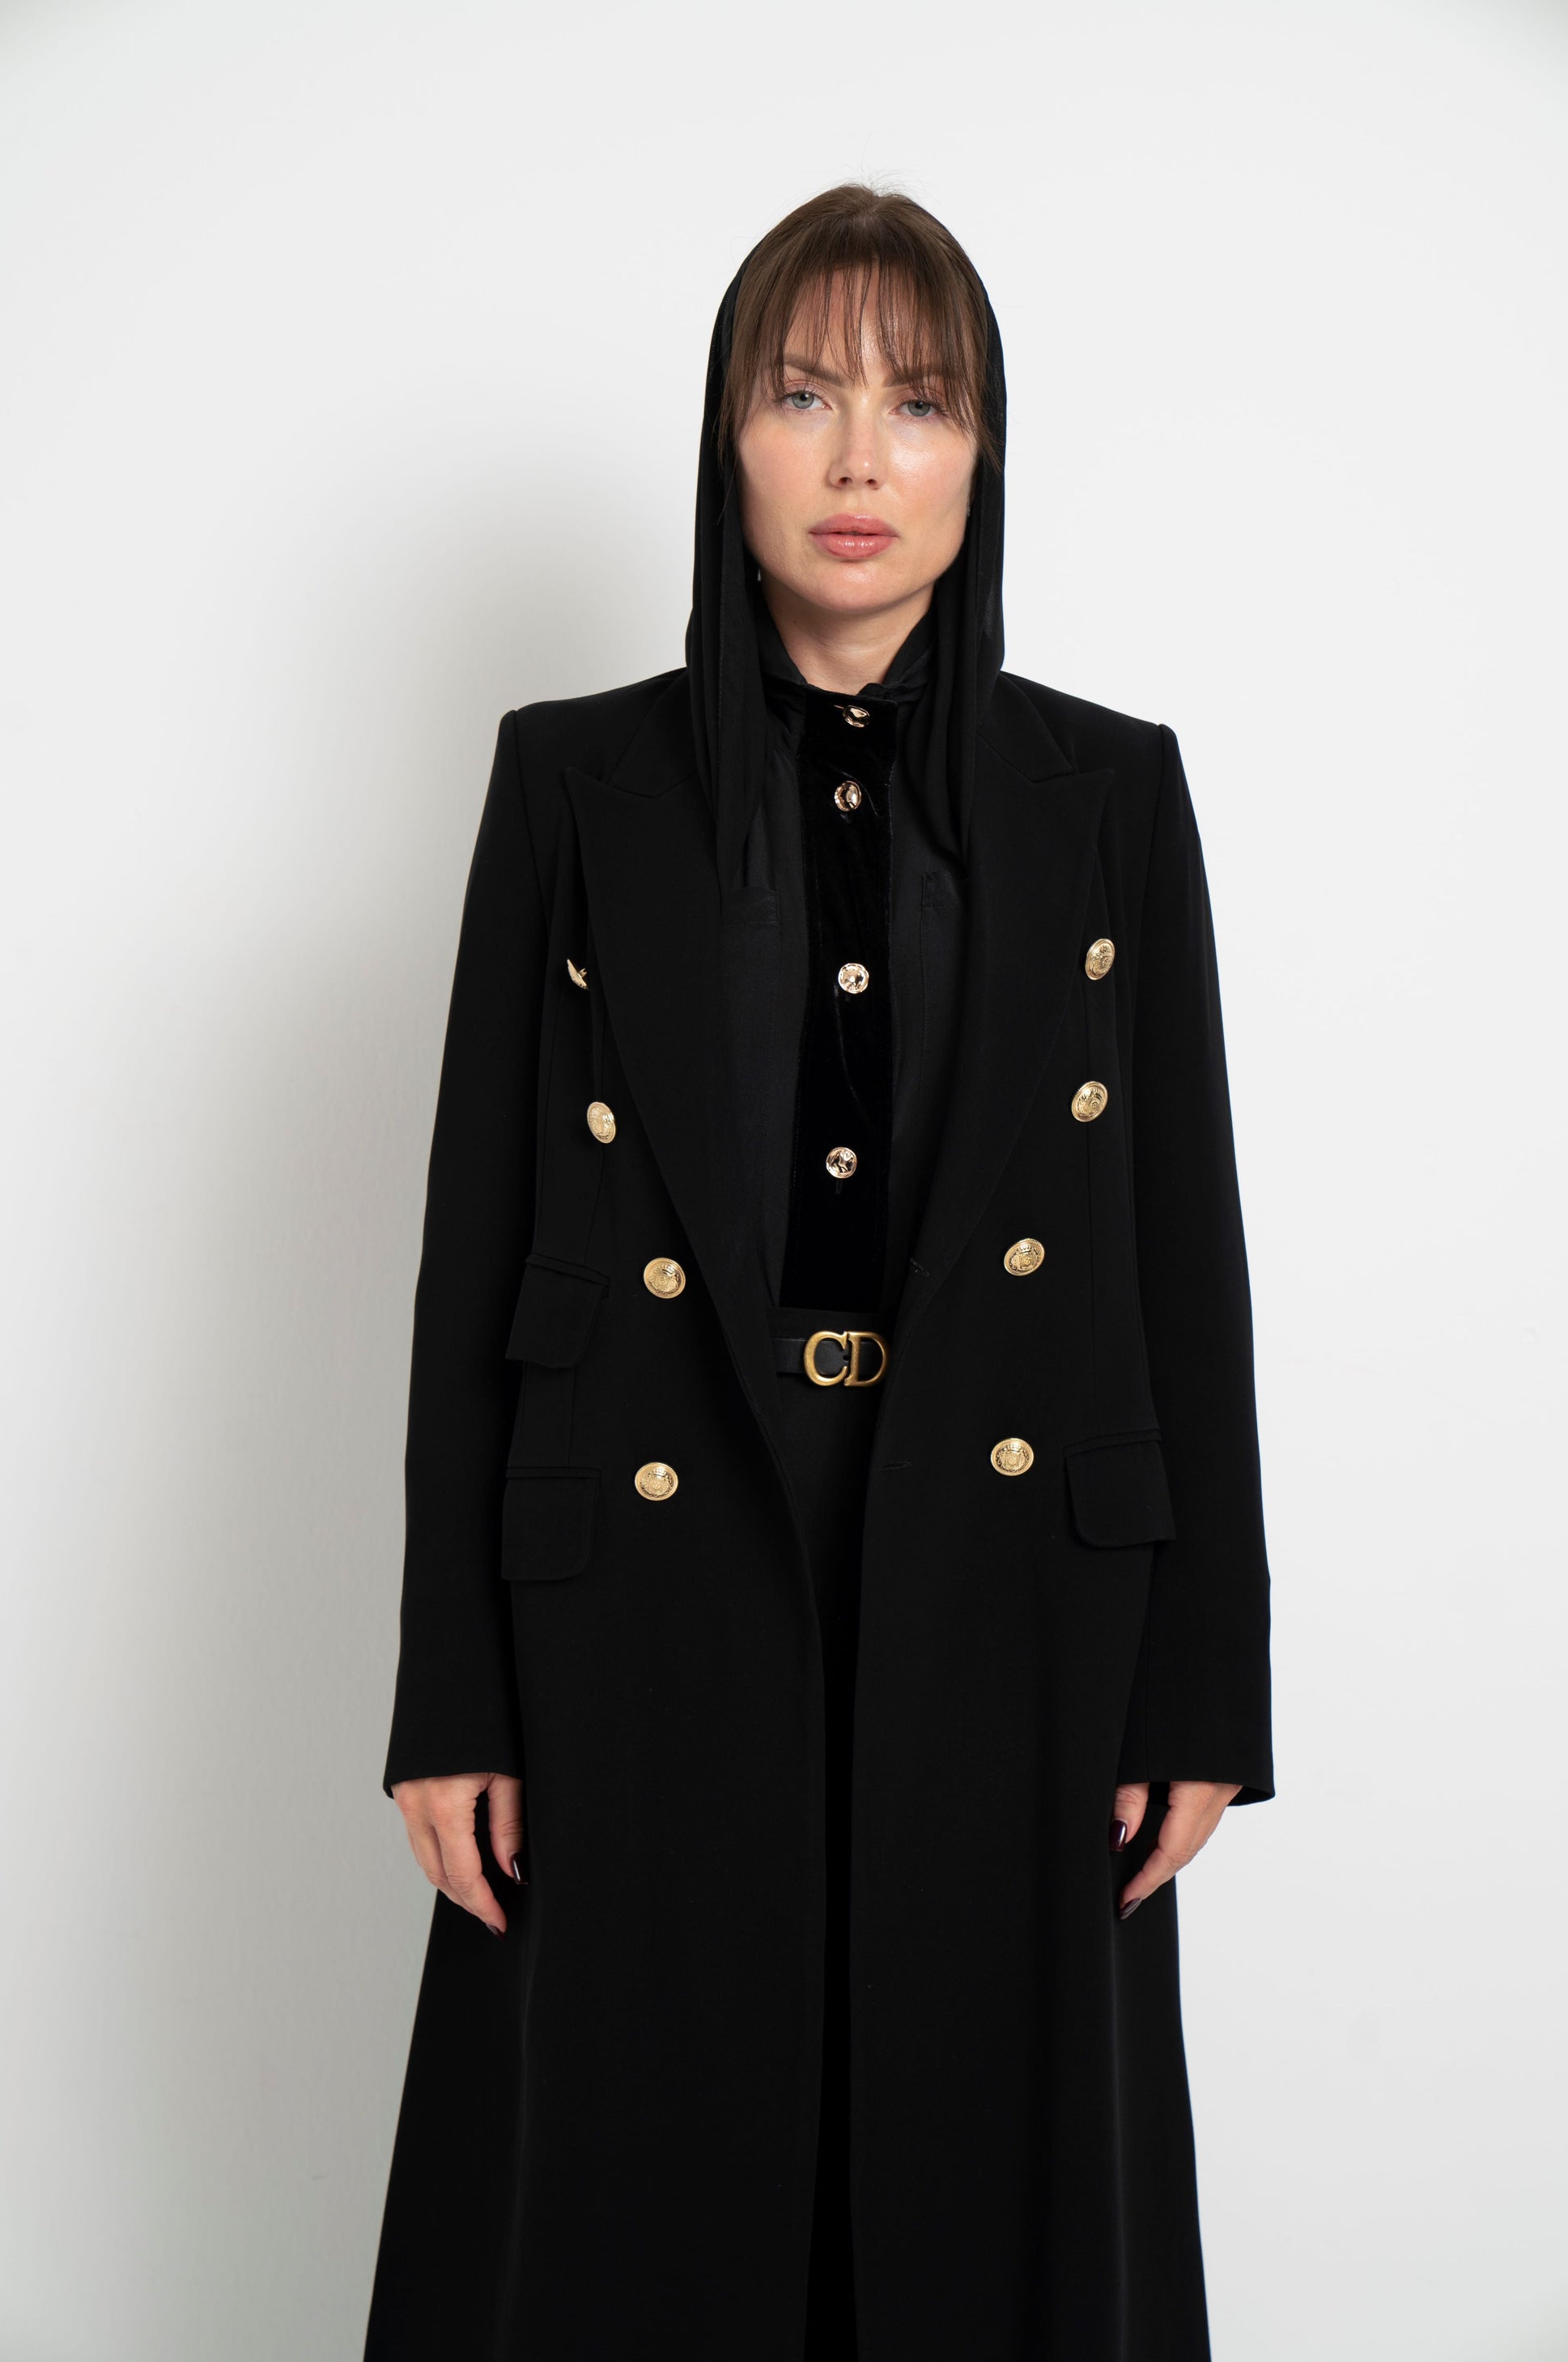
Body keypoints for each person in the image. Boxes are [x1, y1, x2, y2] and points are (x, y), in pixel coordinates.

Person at [362, 183, 1273, 2362]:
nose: (861, 457)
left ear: (982, 449)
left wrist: (1203, 1689)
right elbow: (475, 1244)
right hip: (648, 1564)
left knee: (981, 2202)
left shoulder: (1108, 794)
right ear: (725, 437)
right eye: (802, 394)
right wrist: (451, 1695)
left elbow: (1181, 1251)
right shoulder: (573, 782)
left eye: (920, 400)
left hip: (1019, 1573)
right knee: (640, 2197)